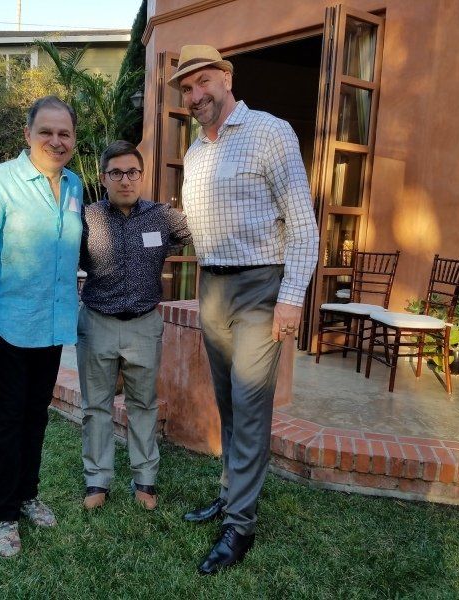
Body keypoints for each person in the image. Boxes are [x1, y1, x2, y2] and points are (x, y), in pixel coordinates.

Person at [169, 45, 319, 574]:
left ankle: (241, 526)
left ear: (226, 79)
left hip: (261, 286)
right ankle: (231, 493)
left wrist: (291, 299)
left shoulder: (271, 132)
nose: (195, 94)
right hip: (214, 286)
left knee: (251, 407)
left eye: (203, 81)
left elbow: (303, 225)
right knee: (229, 406)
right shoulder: (195, 153)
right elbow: (201, 223)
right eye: (186, 88)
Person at [0, 96, 83, 558]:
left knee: (36, 417)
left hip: (49, 327)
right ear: (27, 135)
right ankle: (3, 515)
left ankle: (27, 494)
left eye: (64, 133)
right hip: (5, 329)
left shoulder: (74, 187)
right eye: (46, 131)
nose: (55, 140)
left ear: (73, 140)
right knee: (5, 423)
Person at [77, 140, 192, 511]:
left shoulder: (161, 216)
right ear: (103, 177)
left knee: (144, 404)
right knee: (97, 406)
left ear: (141, 176)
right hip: (97, 323)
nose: (125, 180)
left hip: (144, 325)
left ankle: (145, 478)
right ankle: (97, 479)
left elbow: (203, 229)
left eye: (132, 172)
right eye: (116, 173)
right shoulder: (87, 218)